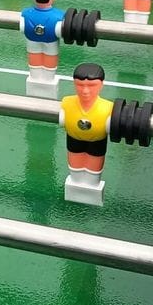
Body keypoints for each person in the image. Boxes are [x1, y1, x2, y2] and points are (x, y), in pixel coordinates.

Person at [59, 62, 114, 206]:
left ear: (101, 85)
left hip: (97, 142)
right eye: (80, 85)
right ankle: (77, 188)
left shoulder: (108, 107)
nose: (85, 91)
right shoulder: (67, 103)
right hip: (74, 139)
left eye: (91, 86)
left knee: (93, 174)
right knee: (76, 171)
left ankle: (90, 190)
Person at [18, 0, 64, 97]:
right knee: (50, 57)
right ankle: (48, 79)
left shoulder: (26, 13)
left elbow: (22, 27)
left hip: (32, 40)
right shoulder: (59, 15)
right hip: (51, 41)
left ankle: (35, 77)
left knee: (34, 56)